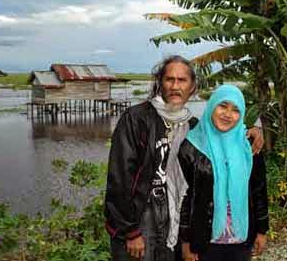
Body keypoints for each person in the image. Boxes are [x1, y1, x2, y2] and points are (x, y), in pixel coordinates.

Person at [104, 56, 264, 261]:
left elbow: (224, 138)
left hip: (175, 223)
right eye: (169, 79)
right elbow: (119, 179)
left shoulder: (194, 127)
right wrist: (131, 231)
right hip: (141, 219)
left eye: (182, 80)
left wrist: (250, 131)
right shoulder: (136, 119)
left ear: (192, 87)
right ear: (160, 83)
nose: (175, 86)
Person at [178, 85, 269, 261]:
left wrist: (261, 230)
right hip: (204, 241)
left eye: (236, 110)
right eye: (223, 106)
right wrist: (185, 241)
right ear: (212, 105)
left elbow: (259, 191)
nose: (228, 114)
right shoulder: (191, 146)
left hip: (241, 240)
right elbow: (185, 196)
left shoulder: (249, 145)